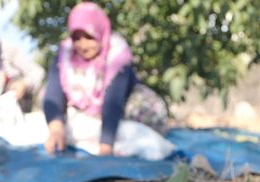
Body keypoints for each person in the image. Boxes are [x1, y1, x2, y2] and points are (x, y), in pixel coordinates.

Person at [42, 2, 173, 160]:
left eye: (89, 37)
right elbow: (53, 93)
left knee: (140, 115)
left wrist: (105, 147)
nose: (83, 45)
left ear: (100, 33)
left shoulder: (117, 56)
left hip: (123, 111)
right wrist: (56, 129)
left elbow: (113, 102)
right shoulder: (65, 56)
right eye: (77, 37)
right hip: (92, 116)